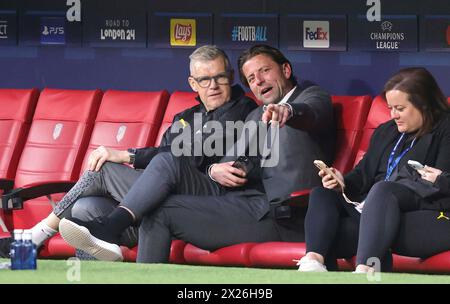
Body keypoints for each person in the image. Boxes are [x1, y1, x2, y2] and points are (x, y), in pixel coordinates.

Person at [58, 44, 335, 263]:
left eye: (264, 71)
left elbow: (311, 114)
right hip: (238, 204)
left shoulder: (309, 97)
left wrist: (289, 111)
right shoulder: (254, 115)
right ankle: (111, 236)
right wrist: (216, 170)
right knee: (158, 209)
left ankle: (108, 230)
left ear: (285, 70)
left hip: (283, 215)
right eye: (251, 77)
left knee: (163, 176)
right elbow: (234, 161)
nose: (258, 81)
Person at [28, 45, 258, 250]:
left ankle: (38, 235)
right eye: (204, 80)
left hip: (204, 198)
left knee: (104, 170)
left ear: (231, 76)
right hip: (164, 196)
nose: (213, 86)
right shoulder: (185, 117)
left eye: (220, 77)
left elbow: (189, 156)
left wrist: (127, 155)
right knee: (85, 208)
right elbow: (164, 161)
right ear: (193, 84)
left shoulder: (243, 109)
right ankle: (106, 255)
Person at [298, 67, 450, 273]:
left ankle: (366, 269)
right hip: (372, 211)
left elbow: (440, 187)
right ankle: (313, 261)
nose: (394, 115)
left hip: (425, 211)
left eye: (400, 108)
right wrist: (342, 181)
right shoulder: (386, 131)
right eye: (390, 108)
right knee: (322, 193)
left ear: (424, 104)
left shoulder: (445, 128)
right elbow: (362, 176)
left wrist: (439, 180)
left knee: (380, 194)